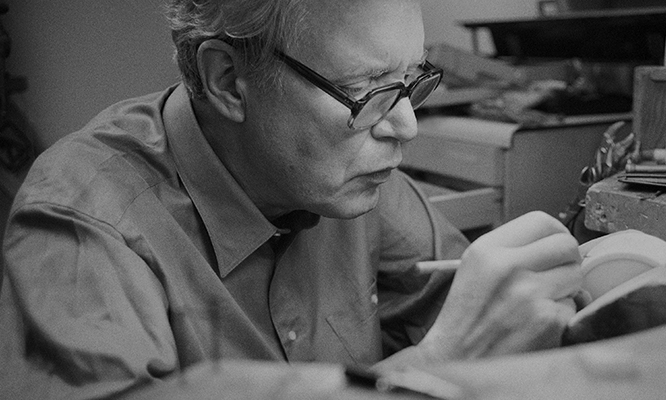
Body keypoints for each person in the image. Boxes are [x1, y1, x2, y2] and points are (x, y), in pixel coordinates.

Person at [0, 0, 583, 398]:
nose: (405, 125)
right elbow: (459, 344)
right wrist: (429, 369)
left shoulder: (355, 180)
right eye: (366, 90)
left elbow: (493, 317)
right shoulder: (85, 219)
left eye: (410, 82)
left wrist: (609, 290)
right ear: (228, 80)